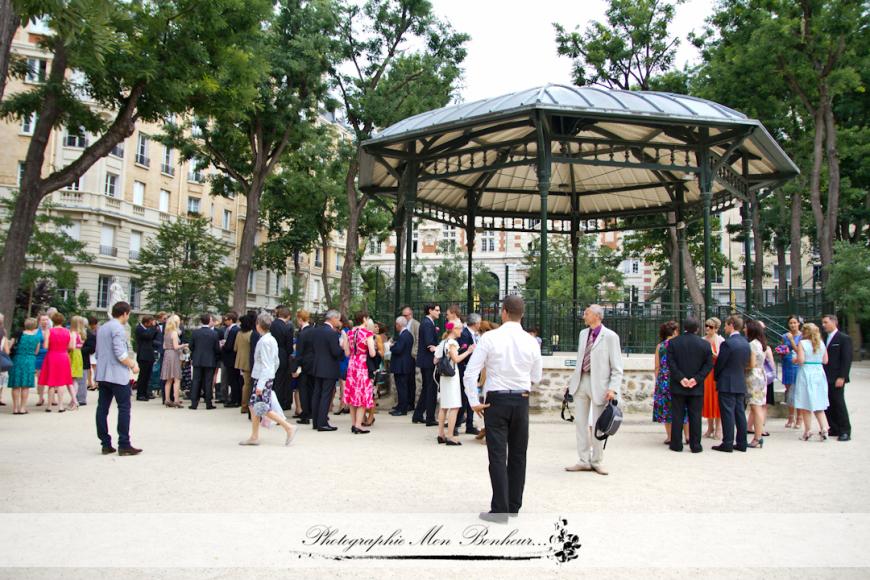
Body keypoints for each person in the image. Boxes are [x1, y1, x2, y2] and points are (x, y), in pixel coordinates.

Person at [463, 295, 542, 523]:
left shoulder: (490, 338)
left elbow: (471, 372)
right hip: (521, 399)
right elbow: (536, 376)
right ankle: (514, 504)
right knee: (518, 454)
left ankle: (500, 508)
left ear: (504, 312)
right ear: (522, 315)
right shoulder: (531, 341)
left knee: (497, 455)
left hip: (495, 401)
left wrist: (472, 400)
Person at [564, 304, 623, 476]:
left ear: (597, 316)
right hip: (581, 381)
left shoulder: (611, 336)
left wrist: (613, 388)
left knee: (598, 425)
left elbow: (617, 366)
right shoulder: (583, 334)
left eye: (587, 313)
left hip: (601, 385)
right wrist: (571, 382)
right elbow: (580, 359)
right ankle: (583, 460)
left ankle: (597, 461)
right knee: (580, 424)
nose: (584, 315)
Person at [240, 312, 298, 446]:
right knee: (254, 406)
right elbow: (275, 362)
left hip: (262, 378)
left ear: (258, 325)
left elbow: (267, 364)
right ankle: (254, 436)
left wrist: (261, 384)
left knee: (262, 407)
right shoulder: (270, 339)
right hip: (265, 377)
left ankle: (288, 427)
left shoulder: (265, 341)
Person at [95, 301, 141, 455]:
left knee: (102, 408)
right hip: (117, 374)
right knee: (124, 408)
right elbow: (120, 353)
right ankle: (124, 443)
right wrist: (132, 365)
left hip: (103, 374)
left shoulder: (103, 328)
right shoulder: (118, 329)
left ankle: (105, 443)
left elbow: (98, 352)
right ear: (125, 313)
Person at [666, 318, 714, 453]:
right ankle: (695, 445)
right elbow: (709, 364)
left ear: (683, 328)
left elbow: (670, 363)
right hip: (696, 386)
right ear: (698, 329)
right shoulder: (704, 344)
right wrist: (696, 379)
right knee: (695, 416)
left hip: (678, 385)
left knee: (677, 415)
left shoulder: (674, 343)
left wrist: (680, 378)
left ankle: (676, 444)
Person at [712, 315, 750, 453]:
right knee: (740, 412)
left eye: (727, 325)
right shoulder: (745, 342)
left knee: (727, 412)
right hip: (739, 380)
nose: (725, 327)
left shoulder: (727, 343)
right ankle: (742, 442)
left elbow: (720, 363)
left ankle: (727, 442)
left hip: (727, 381)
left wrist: (716, 377)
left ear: (731, 325)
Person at [436, 321, 475, 445]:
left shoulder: (442, 343)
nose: (461, 331)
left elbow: (435, 359)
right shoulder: (452, 343)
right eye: (459, 329)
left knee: (444, 406)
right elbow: (456, 359)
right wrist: (468, 351)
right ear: (453, 330)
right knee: (454, 406)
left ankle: (440, 434)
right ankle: (450, 435)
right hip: (451, 376)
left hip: (443, 376)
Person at [792, 322, 830, 441]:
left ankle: (808, 431)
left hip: (806, 372)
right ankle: (824, 428)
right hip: (819, 372)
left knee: (805, 402)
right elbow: (825, 360)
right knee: (819, 402)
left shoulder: (802, 343)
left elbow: (801, 360)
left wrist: (795, 359)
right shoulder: (821, 344)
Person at [309, 310, 347, 431]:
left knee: (316, 394)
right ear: (333, 319)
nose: (339, 322)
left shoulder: (316, 331)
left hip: (317, 366)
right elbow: (335, 352)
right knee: (326, 395)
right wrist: (342, 347)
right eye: (338, 319)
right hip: (329, 368)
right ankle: (322, 422)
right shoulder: (331, 333)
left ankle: (316, 421)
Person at [344, 311, 376, 434]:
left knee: (352, 395)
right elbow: (372, 353)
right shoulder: (367, 333)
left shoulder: (350, 333)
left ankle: (353, 424)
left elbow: (346, 352)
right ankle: (358, 425)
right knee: (363, 394)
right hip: (363, 365)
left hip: (352, 364)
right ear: (364, 319)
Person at [821, 314, 852, 441]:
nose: (823, 325)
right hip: (825, 377)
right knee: (828, 404)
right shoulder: (825, 338)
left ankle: (845, 430)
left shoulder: (843, 338)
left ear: (834, 322)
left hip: (837, 377)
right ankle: (833, 427)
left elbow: (846, 359)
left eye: (825, 322)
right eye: (822, 323)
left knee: (839, 404)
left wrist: (842, 376)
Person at [652, 320, 682, 444]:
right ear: (675, 331)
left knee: (666, 408)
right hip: (678, 377)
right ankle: (686, 435)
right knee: (682, 407)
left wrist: (658, 380)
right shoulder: (679, 344)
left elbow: (657, 366)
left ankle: (670, 436)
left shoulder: (660, 346)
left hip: (663, 379)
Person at [39, 311, 75, 412]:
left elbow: (45, 346)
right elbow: (71, 346)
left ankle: (49, 406)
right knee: (61, 382)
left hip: (52, 355)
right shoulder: (68, 332)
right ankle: (60, 406)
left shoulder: (49, 331)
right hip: (63, 356)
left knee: (51, 382)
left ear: (53, 321)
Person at [413, 303, 440, 426]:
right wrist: (440, 349)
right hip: (428, 361)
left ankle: (418, 415)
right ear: (430, 311)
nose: (439, 312)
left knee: (426, 389)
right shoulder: (428, 324)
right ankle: (430, 418)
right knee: (431, 389)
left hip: (425, 361)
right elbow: (430, 344)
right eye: (437, 310)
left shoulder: (427, 322)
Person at [455, 313, 482, 436]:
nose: (480, 325)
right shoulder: (465, 334)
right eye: (479, 322)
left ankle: (469, 425)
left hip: (472, 371)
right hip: (464, 369)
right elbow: (462, 351)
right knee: (463, 398)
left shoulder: (472, 334)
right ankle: (456, 424)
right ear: (476, 323)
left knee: (471, 396)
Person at [743, 320, 768, 449]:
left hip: (753, 377)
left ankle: (758, 437)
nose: (744, 330)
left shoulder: (752, 344)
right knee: (759, 406)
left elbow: (751, 364)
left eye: (746, 328)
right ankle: (759, 434)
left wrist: (742, 367)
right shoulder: (761, 343)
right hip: (761, 374)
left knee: (755, 407)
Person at [189, 313, 220, 410]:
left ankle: (194, 403)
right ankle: (208, 403)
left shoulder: (195, 333)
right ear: (209, 321)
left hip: (198, 359)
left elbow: (191, 346)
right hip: (210, 360)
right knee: (208, 382)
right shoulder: (214, 334)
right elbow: (217, 348)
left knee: (196, 381)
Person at [9, 318, 40, 414]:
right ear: (35, 326)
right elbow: (36, 351)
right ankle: (23, 408)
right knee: (25, 386)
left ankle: (15, 408)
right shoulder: (36, 338)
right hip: (30, 361)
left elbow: (10, 347)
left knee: (16, 385)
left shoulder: (19, 335)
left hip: (17, 359)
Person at [269, 306, 294, 413]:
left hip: (271, 354)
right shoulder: (286, 327)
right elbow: (289, 346)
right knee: (280, 382)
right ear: (288, 316)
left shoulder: (272, 325)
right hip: (282, 355)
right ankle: (278, 405)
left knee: (272, 381)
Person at [702, 317, 724, 439]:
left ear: (716, 328)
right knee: (707, 399)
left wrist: (714, 354)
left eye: (710, 326)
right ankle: (710, 427)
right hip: (706, 373)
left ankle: (718, 427)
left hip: (716, 371)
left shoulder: (720, 340)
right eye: (706, 325)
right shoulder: (703, 340)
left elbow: (722, 357)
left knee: (716, 400)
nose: (707, 328)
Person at [389, 316, 415, 416]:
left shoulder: (404, 335)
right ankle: (400, 405)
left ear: (399, 325)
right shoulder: (408, 335)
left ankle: (402, 409)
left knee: (402, 388)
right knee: (402, 387)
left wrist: (391, 347)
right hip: (405, 365)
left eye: (396, 324)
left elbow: (399, 349)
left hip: (401, 366)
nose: (396, 326)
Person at [363, 321, 387, 427]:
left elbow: (382, 353)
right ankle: (363, 415)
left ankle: (371, 417)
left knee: (373, 394)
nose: (376, 328)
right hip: (363, 368)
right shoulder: (362, 336)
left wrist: (374, 349)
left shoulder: (376, 338)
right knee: (363, 393)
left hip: (374, 367)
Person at [781, 315, 802, 429]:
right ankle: (790, 416)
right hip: (787, 364)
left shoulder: (802, 336)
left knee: (798, 391)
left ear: (799, 324)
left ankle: (799, 417)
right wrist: (781, 351)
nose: (793, 325)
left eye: (795, 323)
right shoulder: (784, 336)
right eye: (791, 323)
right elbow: (784, 348)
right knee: (789, 391)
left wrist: (791, 340)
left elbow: (799, 350)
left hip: (797, 364)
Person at [292, 310, 314, 424]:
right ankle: (311, 412)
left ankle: (305, 415)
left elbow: (299, 353)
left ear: (300, 319)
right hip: (313, 365)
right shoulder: (313, 331)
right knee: (311, 389)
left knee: (303, 390)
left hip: (304, 365)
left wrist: (295, 368)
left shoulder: (302, 333)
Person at [160, 315, 184, 408]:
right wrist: (184, 345)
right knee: (177, 379)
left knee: (169, 379)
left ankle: (167, 399)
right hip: (173, 354)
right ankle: (176, 400)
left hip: (167, 354)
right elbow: (176, 346)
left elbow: (164, 346)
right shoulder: (174, 333)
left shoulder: (166, 332)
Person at [134, 315, 158, 402]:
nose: (151, 324)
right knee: (143, 376)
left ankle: (145, 392)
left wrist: (155, 329)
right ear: (146, 322)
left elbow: (152, 337)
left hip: (149, 354)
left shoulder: (148, 329)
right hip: (143, 355)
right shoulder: (139, 328)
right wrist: (153, 327)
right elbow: (147, 336)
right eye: (150, 323)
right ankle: (140, 394)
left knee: (148, 375)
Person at [220, 311, 241, 408]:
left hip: (230, 358)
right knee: (234, 379)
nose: (224, 322)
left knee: (233, 380)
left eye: (226, 320)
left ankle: (234, 399)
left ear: (231, 320)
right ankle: (235, 398)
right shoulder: (235, 329)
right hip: (233, 358)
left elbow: (230, 346)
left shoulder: (233, 330)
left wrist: (223, 346)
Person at [234, 313, 255, 416]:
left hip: (240, 360)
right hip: (249, 362)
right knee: (248, 384)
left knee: (245, 383)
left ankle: (244, 405)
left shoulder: (239, 333)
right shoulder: (251, 333)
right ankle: (245, 406)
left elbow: (235, 348)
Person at [70, 316, 88, 406]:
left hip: (73, 354)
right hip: (79, 354)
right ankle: (75, 398)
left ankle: (74, 400)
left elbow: (72, 346)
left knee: (72, 379)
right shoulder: (82, 334)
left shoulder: (73, 333)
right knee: (76, 380)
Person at [34, 314, 49, 406]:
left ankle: (52, 398)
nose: (45, 322)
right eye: (43, 320)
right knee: (40, 378)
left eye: (46, 320)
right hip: (39, 356)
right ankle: (40, 398)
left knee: (51, 376)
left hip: (49, 355)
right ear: (39, 321)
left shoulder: (51, 331)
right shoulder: (36, 332)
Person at [81, 316, 98, 392]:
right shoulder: (90, 331)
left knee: (94, 366)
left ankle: (96, 382)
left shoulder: (97, 330)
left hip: (95, 350)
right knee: (89, 367)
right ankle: (90, 382)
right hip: (91, 349)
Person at [0, 313, 7, 407]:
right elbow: (6, 349)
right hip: (1, 356)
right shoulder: (3, 331)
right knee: (2, 376)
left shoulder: (3, 331)